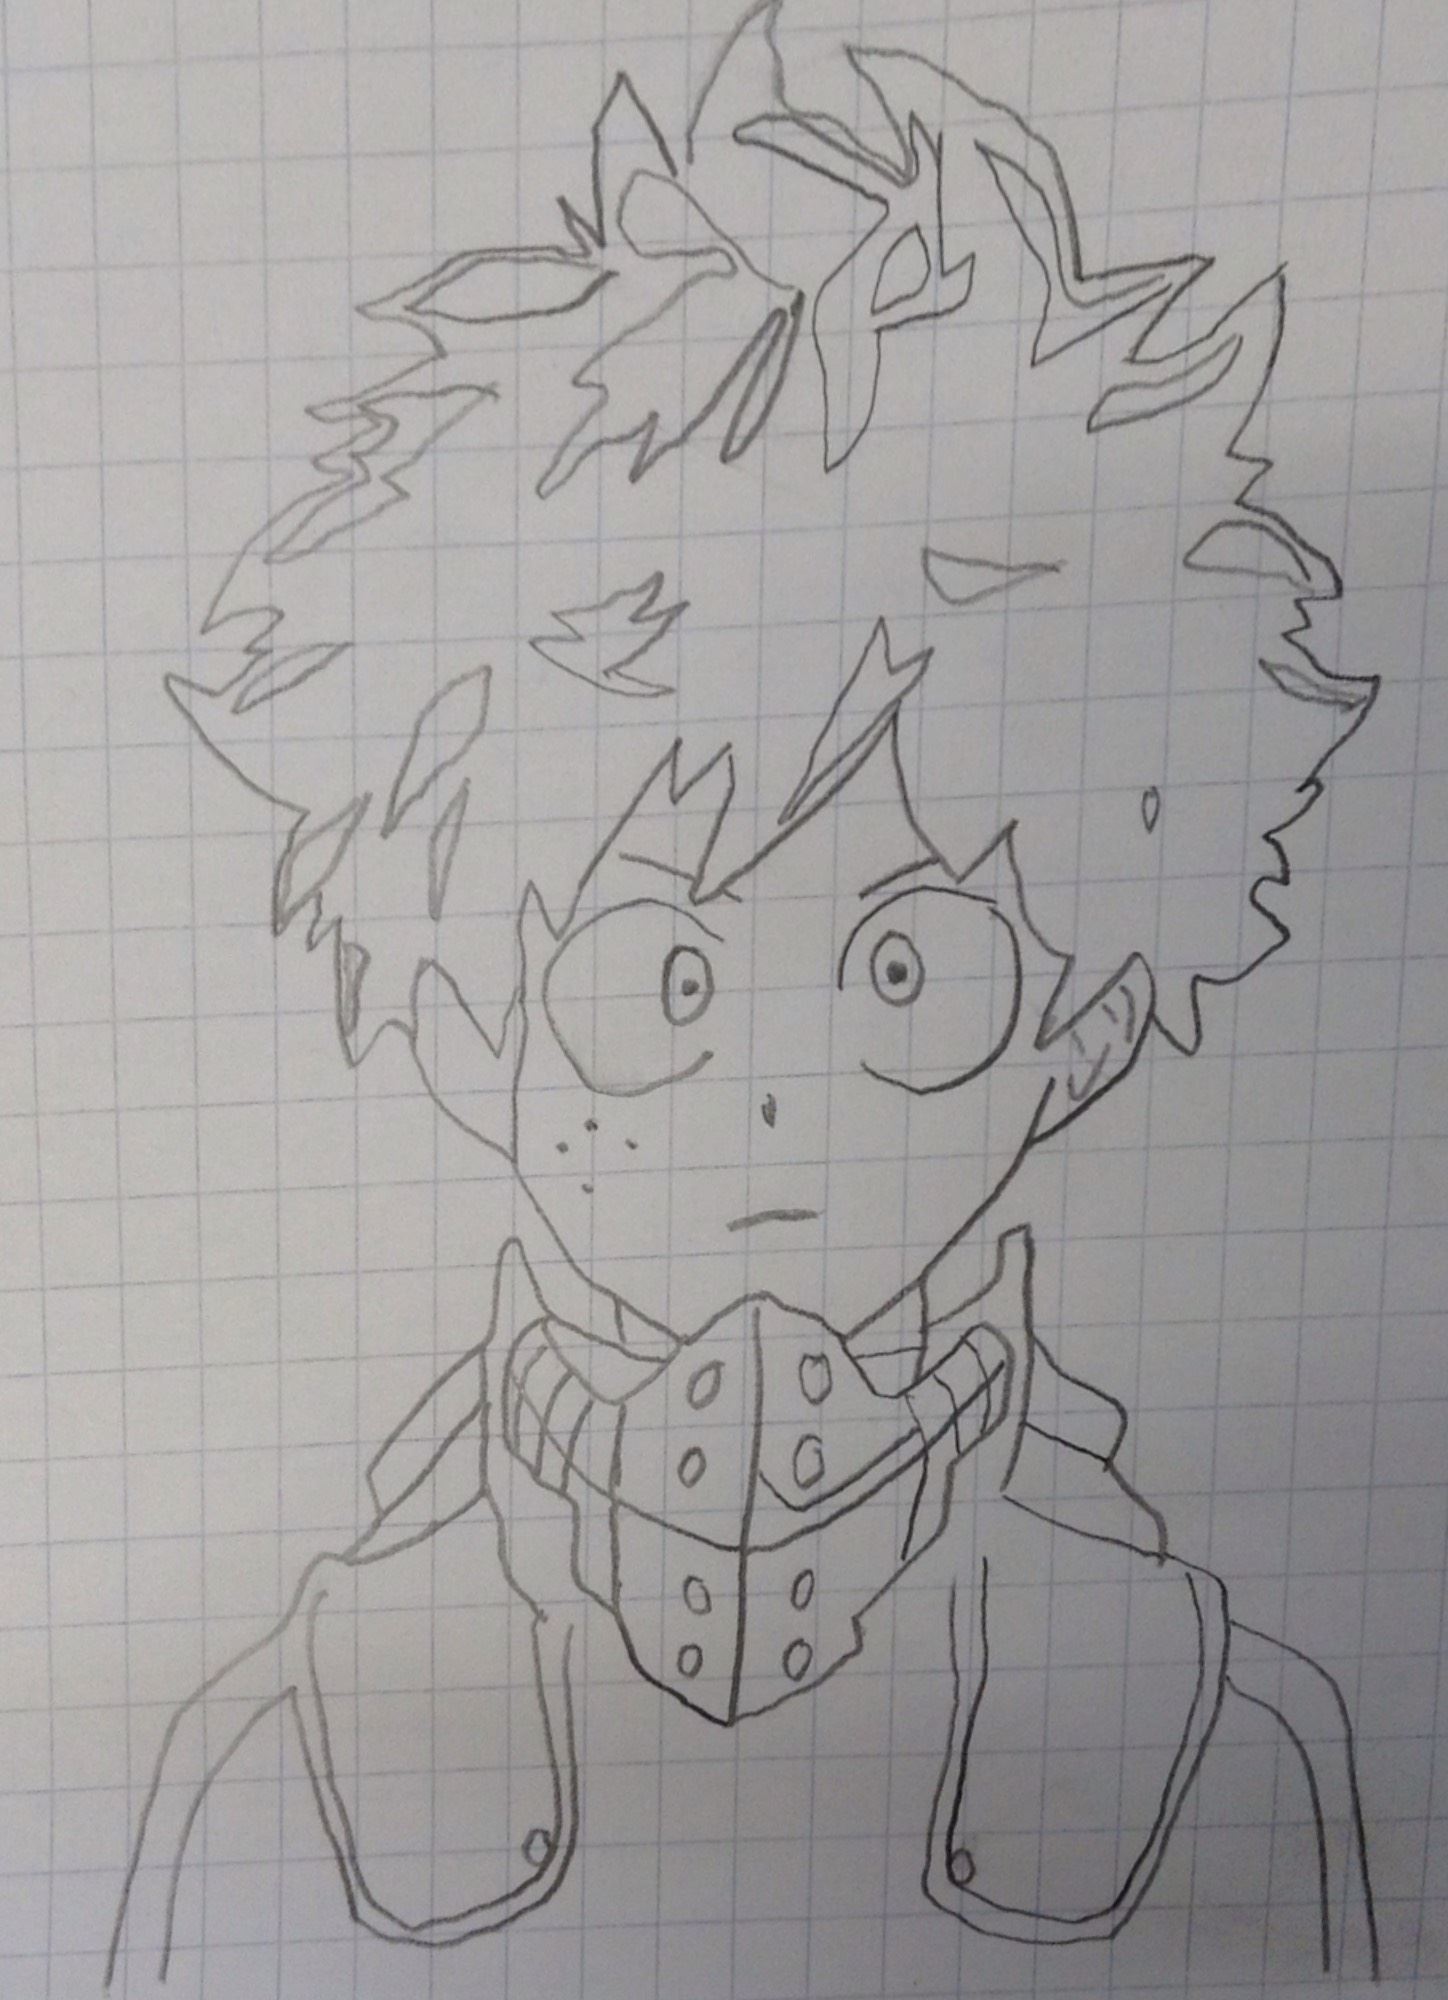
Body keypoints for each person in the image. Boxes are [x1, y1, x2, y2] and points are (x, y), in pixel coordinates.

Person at [109, 3, 1379, 1982]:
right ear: (462, 1014)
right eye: (662, 975)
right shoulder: (271, 1761)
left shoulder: (1228, 1745)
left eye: (907, 968)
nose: (780, 1090)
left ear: (1083, 1019)